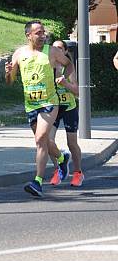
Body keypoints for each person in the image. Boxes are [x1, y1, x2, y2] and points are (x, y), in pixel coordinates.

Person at [5, 20, 76, 197]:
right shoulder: (19, 54)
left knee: (40, 139)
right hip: (31, 104)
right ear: (28, 35)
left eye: (43, 32)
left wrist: (62, 77)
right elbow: (10, 81)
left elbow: (69, 64)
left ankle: (37, 181)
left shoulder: (52, 51)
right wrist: (8, 73)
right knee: (44, 141)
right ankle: (61, 158)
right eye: (38, 33)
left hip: (49, 103)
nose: (42, 35)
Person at [48, 40, 84, 187]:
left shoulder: (68, 67)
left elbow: (77, 91)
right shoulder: (48, 67)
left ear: (65, 51)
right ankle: (59, 169)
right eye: (54, 48)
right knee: (47, 140)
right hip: (53, 107)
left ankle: (78, 173)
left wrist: (65, 84)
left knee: (72, 143)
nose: (56, 50)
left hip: (68, 107)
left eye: (59, 48)